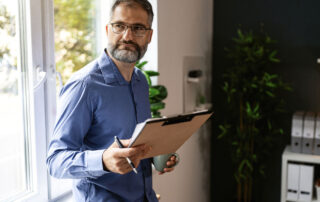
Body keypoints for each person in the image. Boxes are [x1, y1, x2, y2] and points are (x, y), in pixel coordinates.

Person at [46, 0, 178, 201]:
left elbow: (136, 143)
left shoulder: (140, 81)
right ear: (108, 29)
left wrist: (157, 155)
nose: (127, 36)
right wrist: (102, 160)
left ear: (149, 36)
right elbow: (55, 162)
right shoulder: (84, 85)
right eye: (119, 26)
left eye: (138, 28)